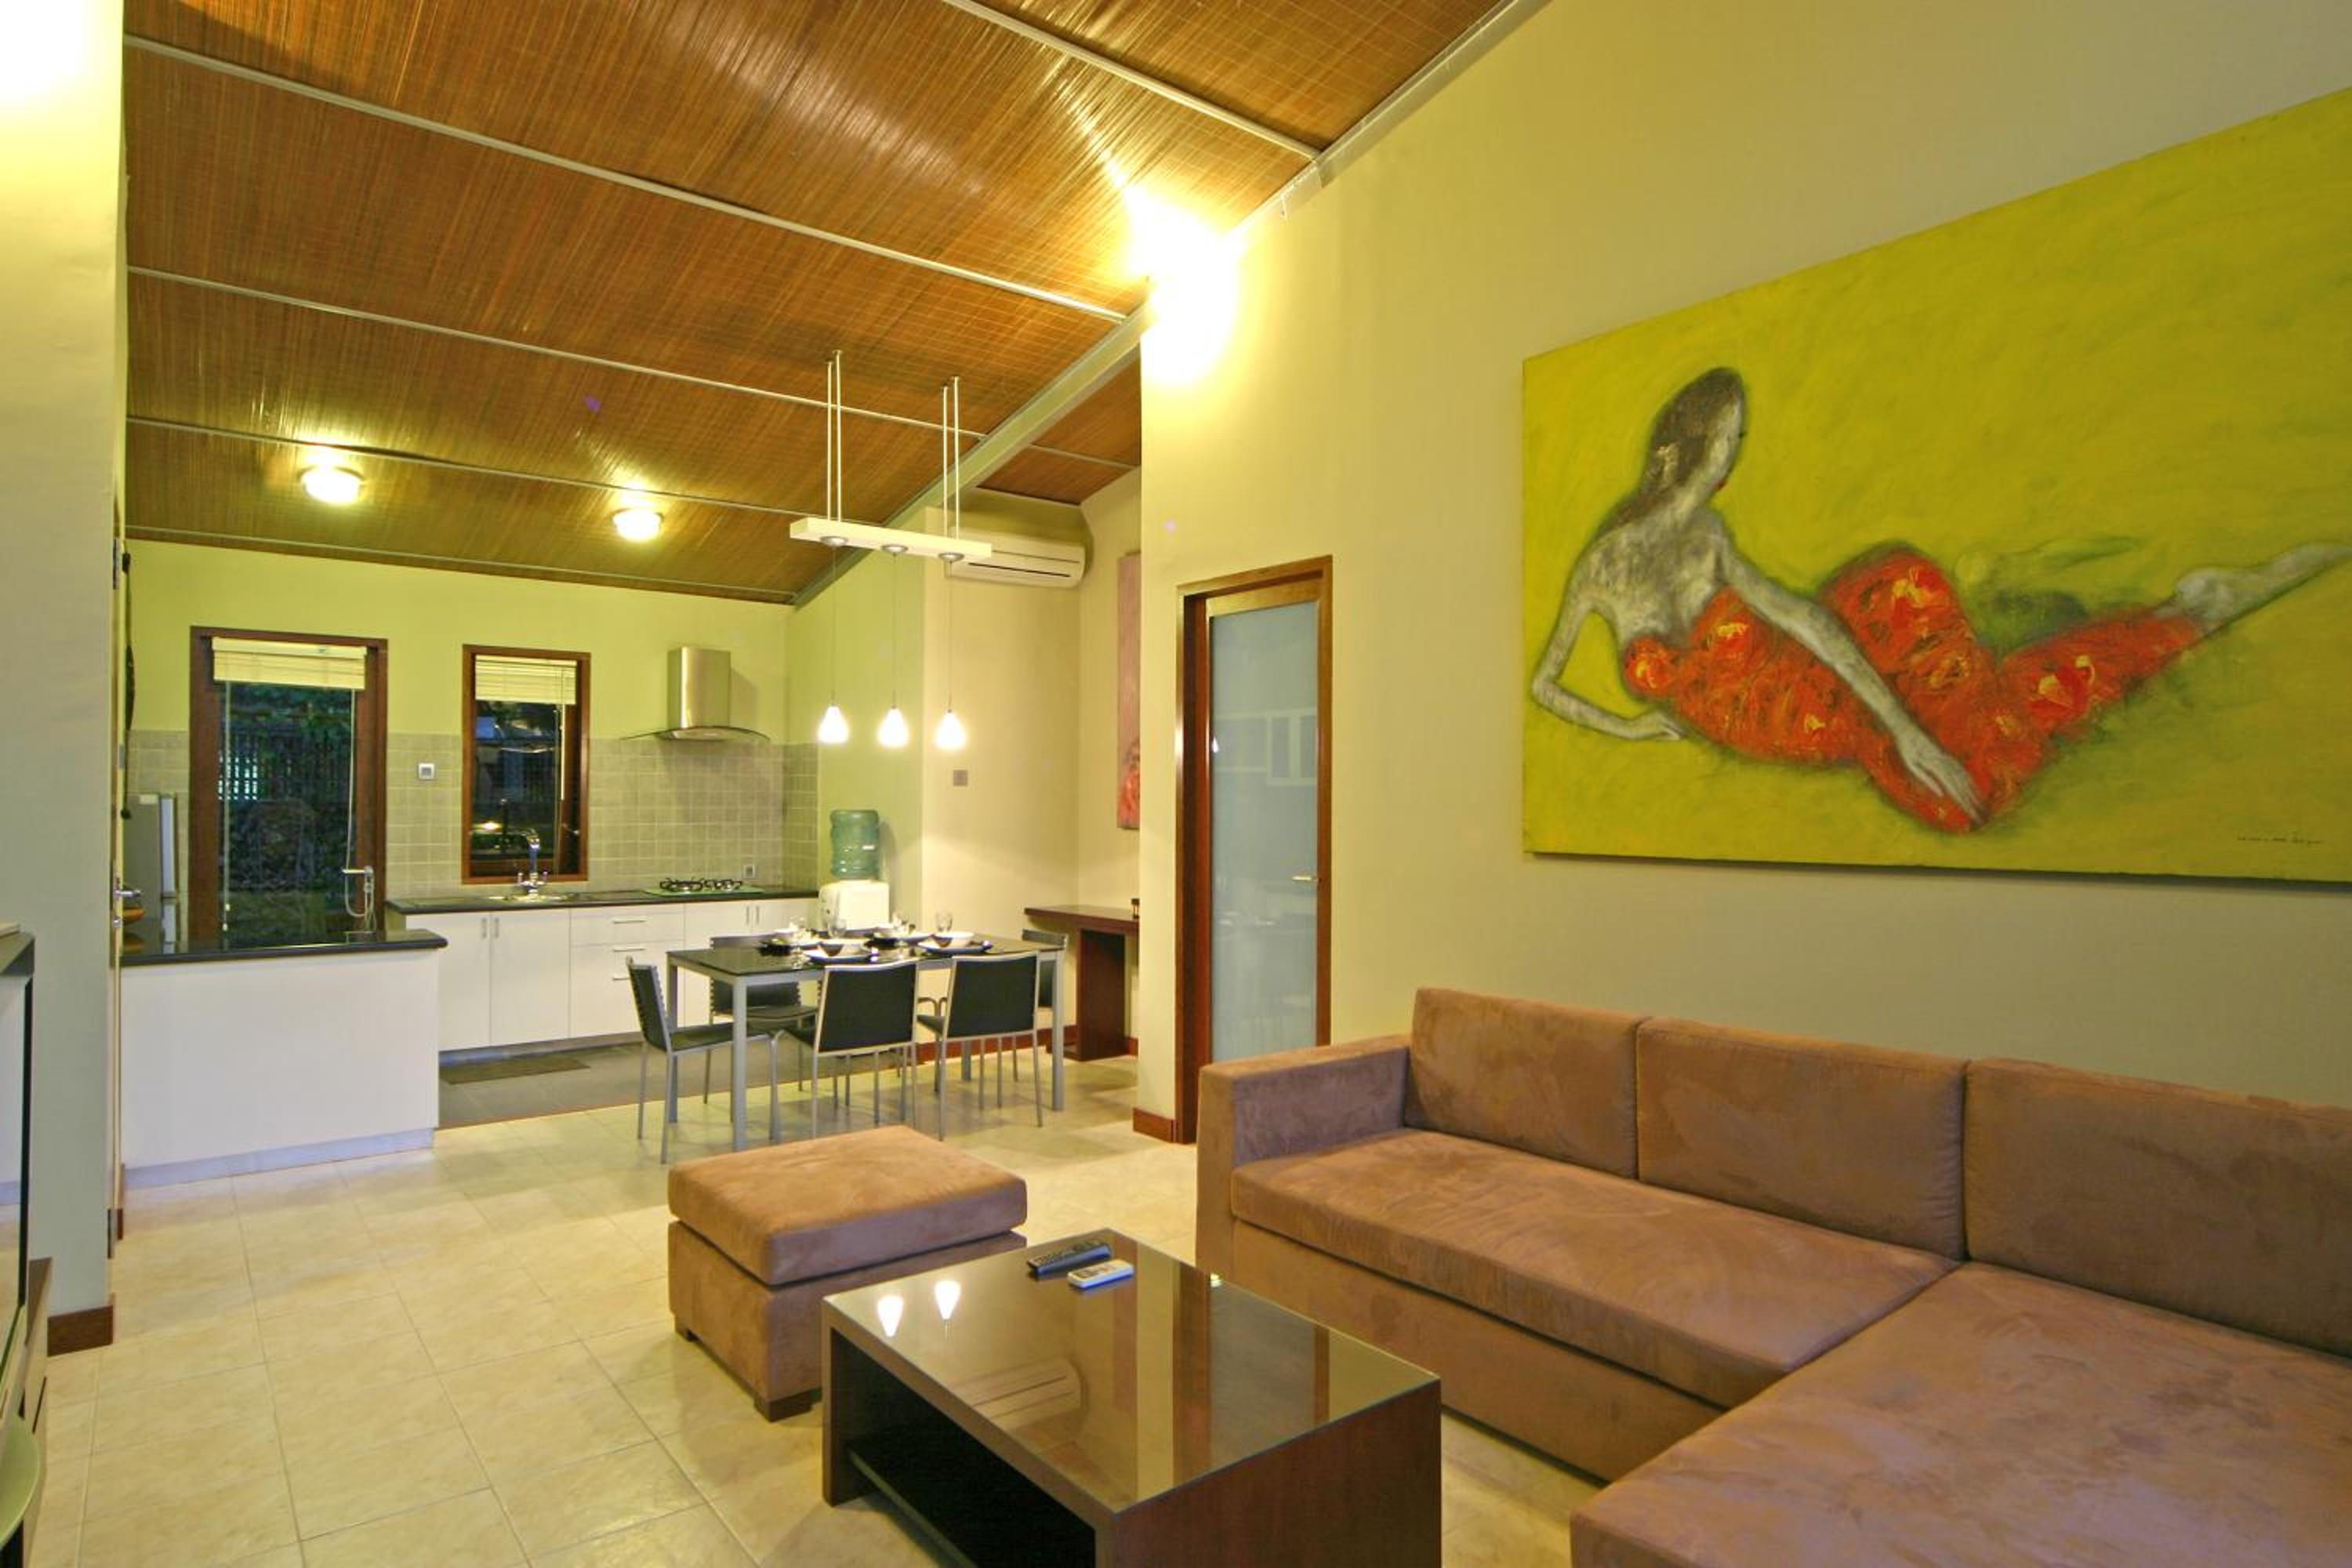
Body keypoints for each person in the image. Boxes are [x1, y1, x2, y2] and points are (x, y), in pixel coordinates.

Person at [1530, 368, 2350, 833]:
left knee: (1966, 750)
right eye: (1724, 442)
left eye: (1737, 443)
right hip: (1786, 719)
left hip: (1818, 681)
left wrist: (1903, 731)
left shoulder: (1708, 535)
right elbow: (1545, 682)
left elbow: (1804, 619)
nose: (1728, 459)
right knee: (1976, 775)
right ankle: (2193, 610)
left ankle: (2190, 614)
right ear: (1687, 447)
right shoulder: (1604, 561)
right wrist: (1630, 727)